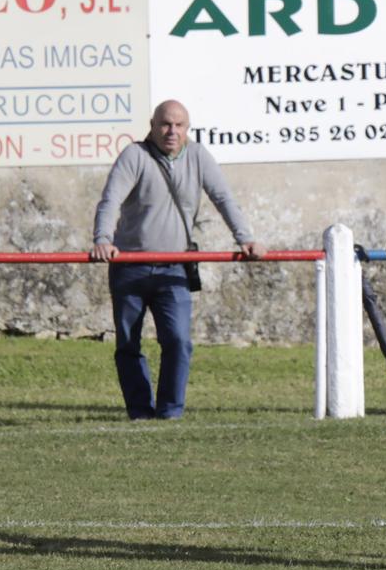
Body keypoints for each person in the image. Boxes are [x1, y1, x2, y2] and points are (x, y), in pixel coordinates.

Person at [89, 100, 261, 421]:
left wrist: (245, 239)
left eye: (179, 125)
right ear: (152, 126)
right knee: (128, 343)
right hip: (129, 267)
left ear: (187, 129)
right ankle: (140, 411)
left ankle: (170, 412)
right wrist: (102, 240)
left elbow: (223, 198)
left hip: (174, 268)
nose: (172, 132)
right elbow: (111, 199)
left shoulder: (197, 156)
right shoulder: (134, 156)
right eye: (165, 124)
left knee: (179, 341)